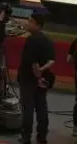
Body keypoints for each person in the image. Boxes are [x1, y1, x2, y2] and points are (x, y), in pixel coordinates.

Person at [18, 15, 55, 144]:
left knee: (28, 108)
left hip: (29, 79)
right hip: (43, 79)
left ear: (38, 25)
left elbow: (33, 62)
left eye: (30, 21)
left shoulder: (31, 40)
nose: (27, 23)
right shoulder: (47, 40)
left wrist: (38, 75)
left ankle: (26, 136)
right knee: (41, 107)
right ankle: (42, 135)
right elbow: (52, 61)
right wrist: (43, 71)